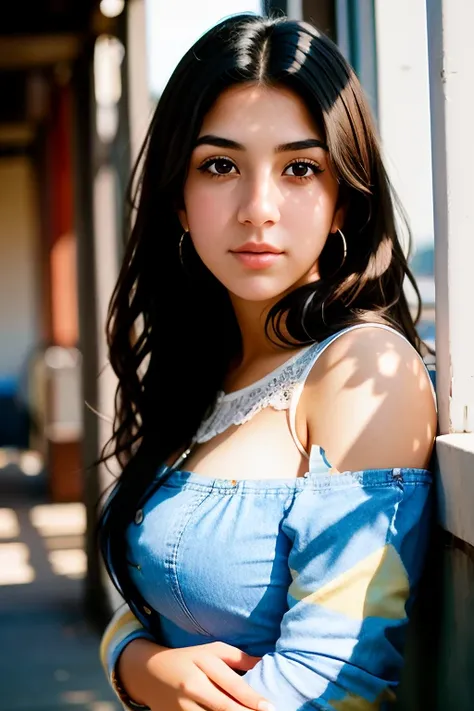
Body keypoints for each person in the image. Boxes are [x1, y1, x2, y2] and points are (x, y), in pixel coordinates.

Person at [97, 13, 437, 711]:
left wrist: (137, 668)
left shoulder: (361, 372)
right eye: (220, 166)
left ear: (343, 198)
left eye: (300, 169)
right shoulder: (207, 371)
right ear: (179, 201)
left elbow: (334, 682)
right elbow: (146, 591)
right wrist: (134, 663)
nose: (259, 208)